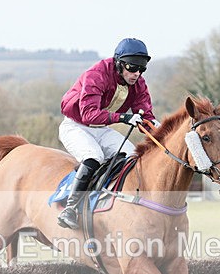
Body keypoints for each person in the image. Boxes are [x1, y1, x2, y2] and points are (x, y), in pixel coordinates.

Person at [56, 38, 157, 229]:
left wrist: (159, 131)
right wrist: (123, 118)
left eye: (141, 69)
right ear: (119, 63)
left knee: (132, 158)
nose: (137, 74)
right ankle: (70, 209)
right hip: (76, 126)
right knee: (94, 156)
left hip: (101, 129)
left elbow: (146, 115)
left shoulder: (138, 83)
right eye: (132, 67)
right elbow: (88, 114)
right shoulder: (96, 75)